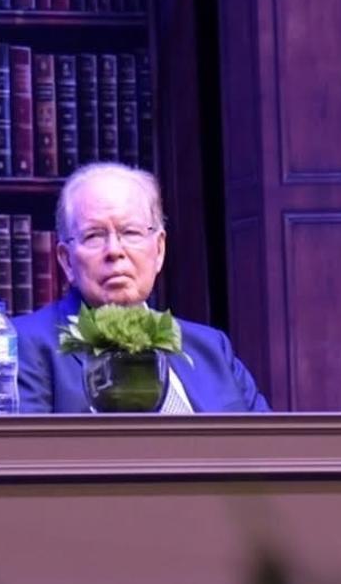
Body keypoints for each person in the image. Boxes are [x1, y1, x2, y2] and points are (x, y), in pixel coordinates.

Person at [14, 162, 269, 413]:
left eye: (131, 233)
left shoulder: (212, 348)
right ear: (66, 260)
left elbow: (270, 447)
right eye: (94, 235)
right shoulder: (27, 345)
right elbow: (22, 452)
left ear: (159, 250)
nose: (114, 251)